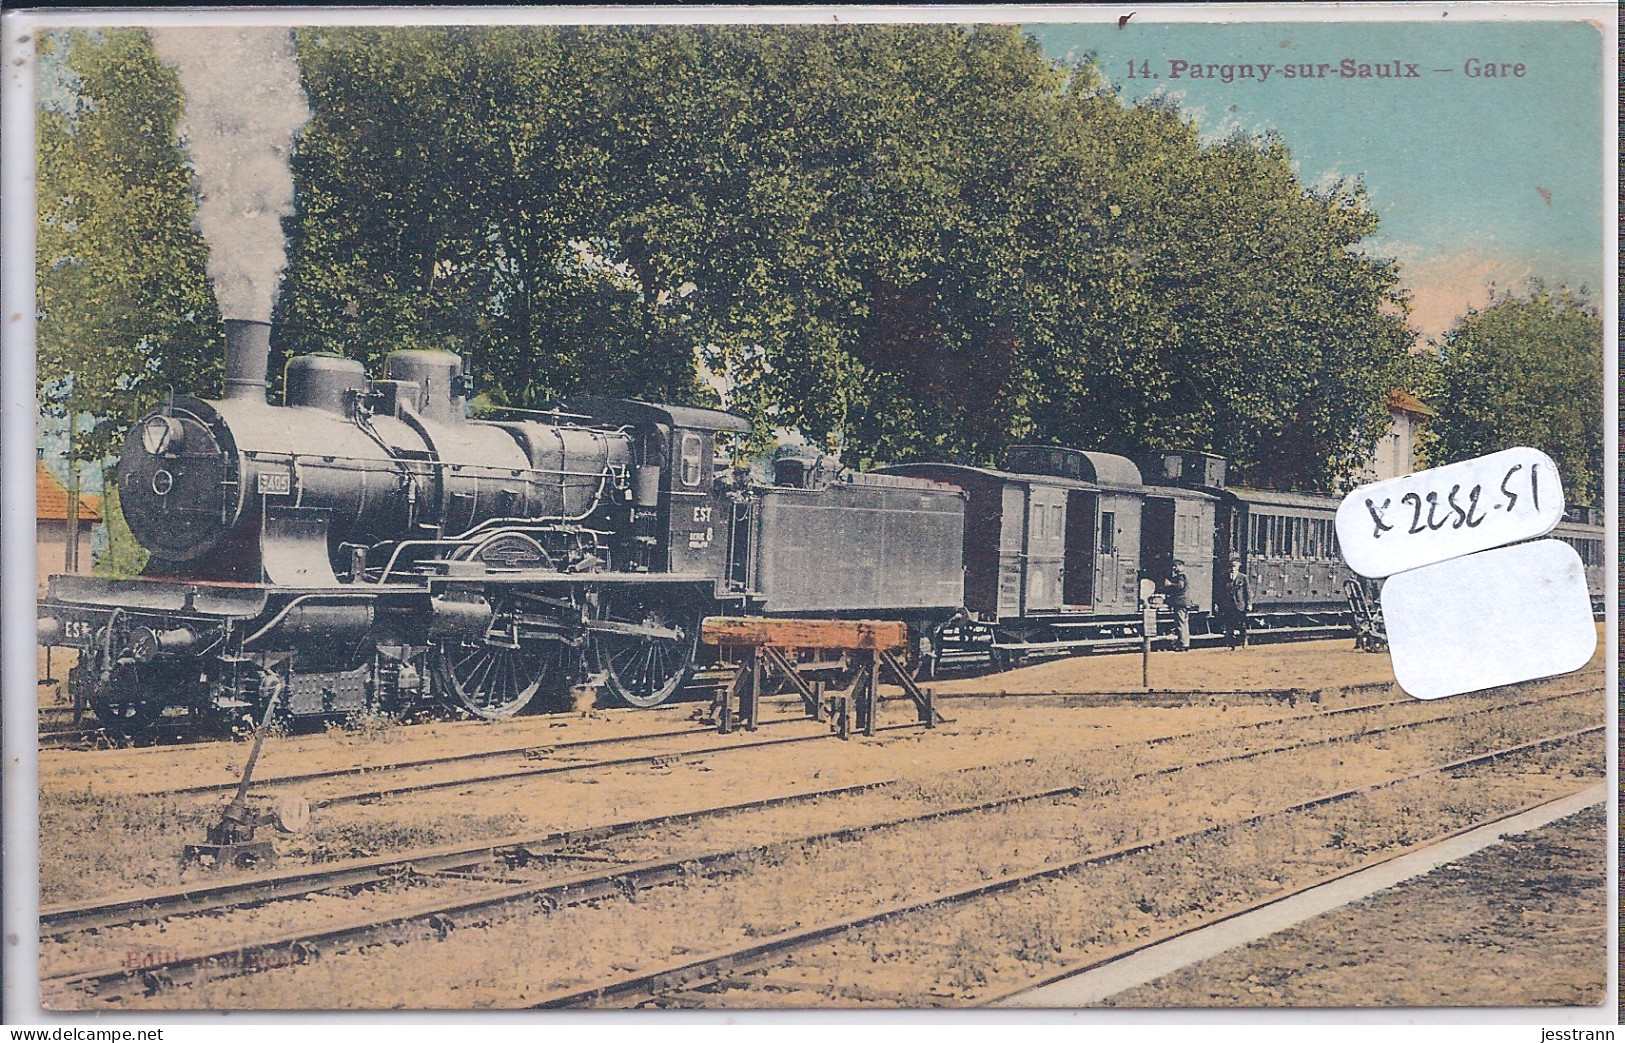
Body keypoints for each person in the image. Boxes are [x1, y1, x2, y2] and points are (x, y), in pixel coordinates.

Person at [1221, 560, 1252, 650]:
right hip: (1228, 606)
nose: (1232, 569)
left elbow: (1248, 592)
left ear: (1238, 568)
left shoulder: (1243, 578)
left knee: (1241, 625)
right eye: (1231, 567)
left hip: (1239, 605)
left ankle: (1244, 641)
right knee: (1229, 626)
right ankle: (1231, 645)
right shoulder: (1225, 578)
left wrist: (1249, 604)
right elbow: (1221, 592)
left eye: (1234, 567)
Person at [1165, 561, 1191, 651]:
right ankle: (1184, 643)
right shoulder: (1182, 575)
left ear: (1181, 566)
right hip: (1183, 602)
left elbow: (1180, 586)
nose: (1173, 568)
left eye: (1175, 566)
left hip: (1180, 602)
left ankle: (1183, 644)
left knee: (1181, 623)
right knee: (1183, 623)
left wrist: (1170, 584)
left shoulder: (1181, 576)